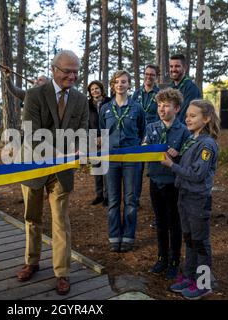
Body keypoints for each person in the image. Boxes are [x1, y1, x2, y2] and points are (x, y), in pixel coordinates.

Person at [17, 50, 88, 295]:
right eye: (68, 71)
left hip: (63, 171)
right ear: (54, 69)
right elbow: (31, 132)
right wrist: (58, 154)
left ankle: (62, 272)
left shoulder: (80, 99)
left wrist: (79, 150)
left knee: (61, 221)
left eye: (76, 71)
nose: (73, 76)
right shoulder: (35, 95)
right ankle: (32, 261)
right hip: (33, 165)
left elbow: (82, 130)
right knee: (32, 218)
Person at [161, 99, 220, 300]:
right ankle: (189, 276)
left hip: (198, 200)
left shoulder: (207, 145)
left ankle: (203, 284)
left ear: (206, 119)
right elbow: (187, 166)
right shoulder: (192, 140)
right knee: (189, 240)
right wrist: (175, 158)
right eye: (187, 115)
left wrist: (171, 165)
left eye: (193, 116)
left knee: (200, 242)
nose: (188, 119)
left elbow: (196, 174)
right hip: (184, 196)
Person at [143, 88, 190, 280]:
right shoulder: (151, 128)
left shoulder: (184, 131)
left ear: (177, 108)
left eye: (166, 106)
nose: (162, 109)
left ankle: (174, 261)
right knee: (160, 222)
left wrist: (177, 155)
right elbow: (144, 147)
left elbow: (188, 159)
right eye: (159, 105)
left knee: (174, 223)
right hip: (155, 181)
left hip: (173, 184)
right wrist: (144, 149)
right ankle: (161, 258)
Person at [99, 70, 145, 253]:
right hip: (111, 158)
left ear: (129, 85)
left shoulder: (137, 108)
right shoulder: (105, 109)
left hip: (131, 159)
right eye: (117, 82)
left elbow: (142, 131)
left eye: (124, 82)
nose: (120, 85)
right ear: (112, 85)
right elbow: (103, 132)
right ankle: (114, 235)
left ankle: (128, 236)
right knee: (113, 199)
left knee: (131, 199)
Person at [131, 64, 161, 225]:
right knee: (136, 170)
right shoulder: (136, 94)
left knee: (154, 172)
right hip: (137, 136)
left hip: (154, 136)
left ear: (157, 77)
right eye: (147, 74)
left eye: (152, 75)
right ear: (144, 75)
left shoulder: (159, 94)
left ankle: (157, 208)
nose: (149, 77)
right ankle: (134, 202)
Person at [87, 80, 111, 206]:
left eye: (97, 88)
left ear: (101, 89)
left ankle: (107, 196)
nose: (94, 91)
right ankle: (99, 195)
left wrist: (103, 137)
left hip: (106, 138)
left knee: (106, 169)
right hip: (92, 139)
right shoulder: (87, 105)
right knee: (96, 169)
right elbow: (85, 122)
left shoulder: (109, 102)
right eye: (92, 89)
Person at [168, 54, 201, 124]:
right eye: (171, 66)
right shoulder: (169, 88)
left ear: (185, 68)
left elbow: (184, 115)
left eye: (177, 66)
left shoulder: (191, 88)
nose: (173, 69)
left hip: (184, 131)